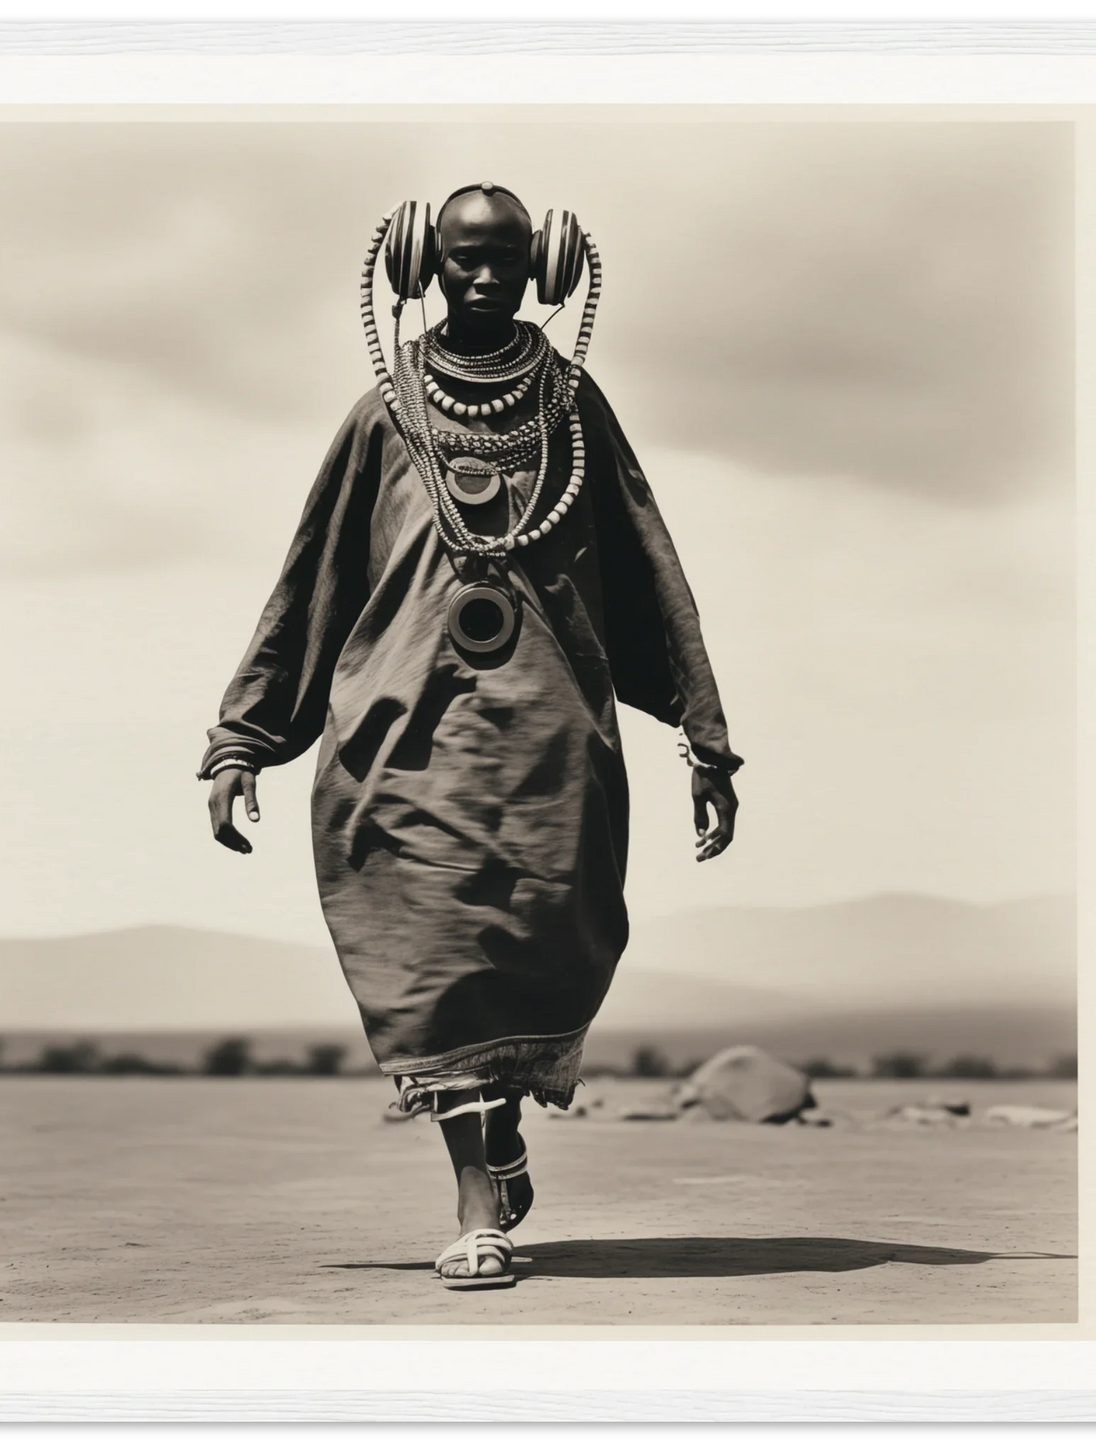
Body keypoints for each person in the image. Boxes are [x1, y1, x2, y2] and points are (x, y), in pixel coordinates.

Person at [199, 183, 742, 1290]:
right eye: (461, 260)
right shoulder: (381, 414)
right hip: (396, 737)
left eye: (503, 258)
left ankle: (498, 1133)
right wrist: (241, 737)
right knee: (432, 959)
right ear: (424, 266)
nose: (483, 277)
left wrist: (705, 736)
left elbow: (649, 568)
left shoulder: (574, 407)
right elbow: (311, 582)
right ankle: (477, 1199)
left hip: (547, 739)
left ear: (539, 265)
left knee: (536, 941)